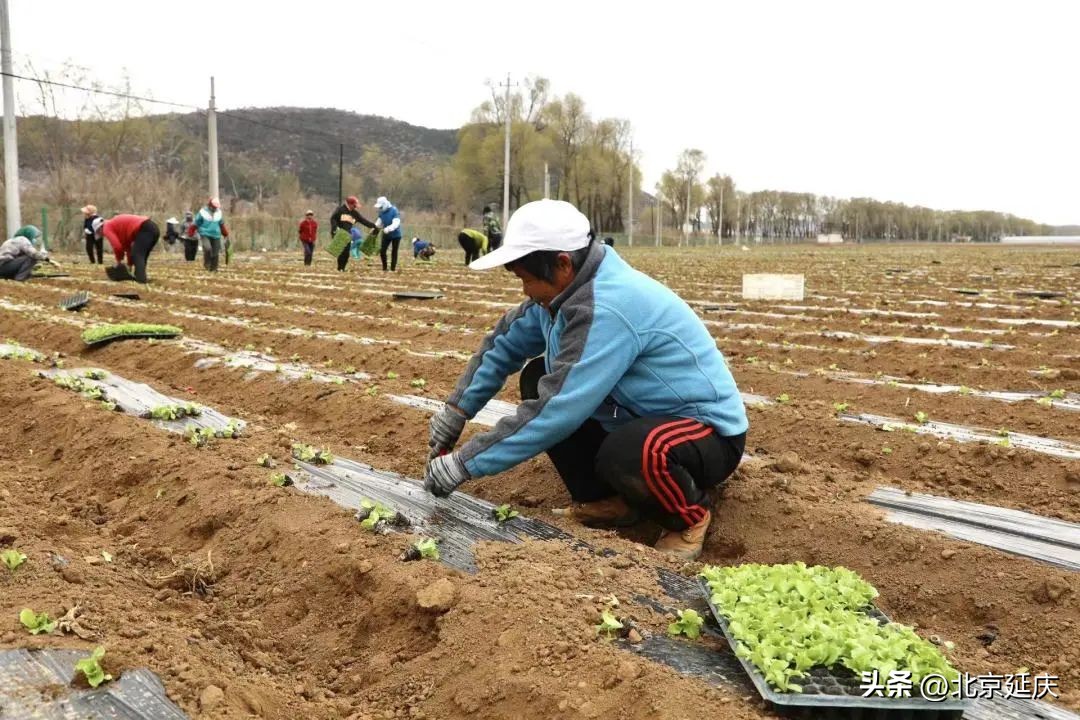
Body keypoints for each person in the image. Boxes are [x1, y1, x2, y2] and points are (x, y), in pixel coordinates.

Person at [422, 199, 748, 561]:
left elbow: (557, 409)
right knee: (539, 375)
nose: (526, 291)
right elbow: (504, 344)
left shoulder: (608, 305)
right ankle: (613, 501)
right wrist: (456, 410)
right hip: (633, 414)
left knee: (630, 452)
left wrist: (465, 462)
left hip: (704, 433)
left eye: (528, 278)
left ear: (563, 263)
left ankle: (688, 517)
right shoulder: (559, 296)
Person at [95, 214, 160, 284]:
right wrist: (129, 264)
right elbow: (129, 249)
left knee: (137, 254)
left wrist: (119, 261)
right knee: (140, 255)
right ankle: (139, 277)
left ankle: (141, 280)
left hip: (145, 228)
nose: (103, 235)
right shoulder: (117, 228)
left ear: (99, 228)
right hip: (153, 228)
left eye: (99, 233)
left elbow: (117, 247)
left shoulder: (106, 227)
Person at [329, 196, 375, 271]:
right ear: (349, 204)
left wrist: (374, 226)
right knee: (341, 252)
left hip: (348, 234)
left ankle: (342, 268)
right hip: (339, 233)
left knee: (346, 253)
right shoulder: (340, 210)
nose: (355, 207)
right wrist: (335, 228)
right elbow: (333, 218)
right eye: (354, 205)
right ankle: (340, 268)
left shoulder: (354, 213)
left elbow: (363, 221)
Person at [194, 198, 226, 272]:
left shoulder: (219, 213)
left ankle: (214, 269)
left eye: (216, 207)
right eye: (214, 207)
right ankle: (207, 264)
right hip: (205, 233)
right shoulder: (203, 212)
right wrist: (191, 230)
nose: (215, 208)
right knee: (207, 248)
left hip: (216, 234)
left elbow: (221, 223)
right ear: (210, 205)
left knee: (215, 252)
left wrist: (225, 233)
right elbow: (196, 222)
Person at [373, 196, 403, 271]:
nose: (380, 208)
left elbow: (396, 223)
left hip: (396, 235)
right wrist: (374, 228)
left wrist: (389, 229)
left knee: (394, 251)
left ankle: (393, 269)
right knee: (382, 251)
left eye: (381, 207)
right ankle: (385, 268)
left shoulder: (394, 210)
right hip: (386, 234)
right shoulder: (381, 212)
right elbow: (379, 222)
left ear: (385, 204)